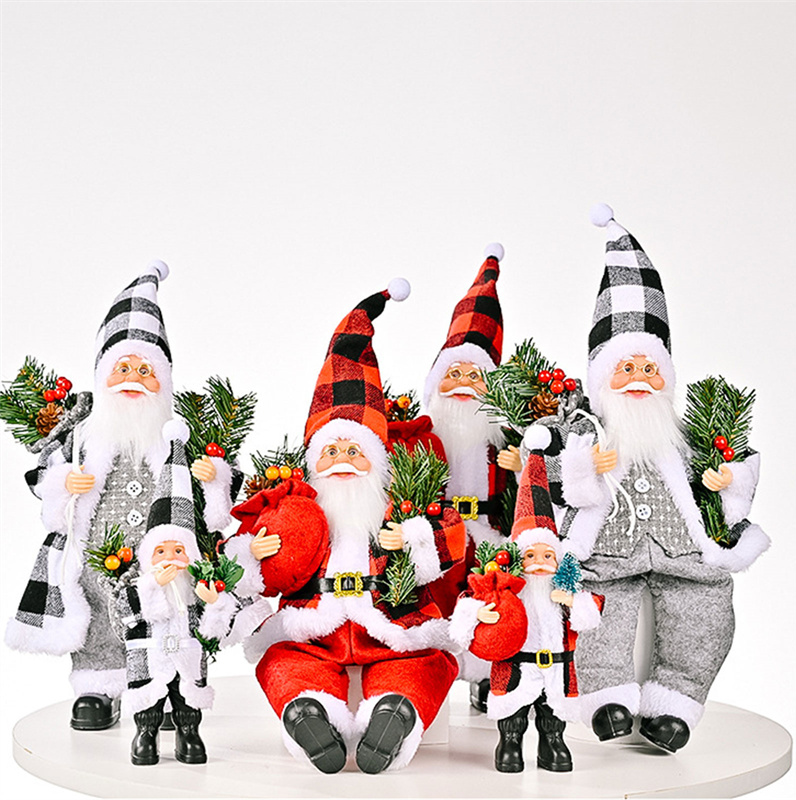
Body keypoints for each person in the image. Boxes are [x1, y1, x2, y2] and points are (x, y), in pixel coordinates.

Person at [224, 280, 466, 774]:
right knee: (282, 660)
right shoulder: (297, 504)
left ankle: (394, 713)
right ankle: (307, 712)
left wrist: (415, 536)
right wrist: (255, 551)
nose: (342, 460)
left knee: (425, 662)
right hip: (313, 624)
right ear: (312, 460)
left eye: (355, 450)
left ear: (377, 461)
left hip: (392, 623)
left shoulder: (399, 503)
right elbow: (246, 551)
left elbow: (452, 533)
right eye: (330, 451)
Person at [557, 205, 769, 752]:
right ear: (601, 378)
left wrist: (728, 478)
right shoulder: (584, 428)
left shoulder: (685, 433)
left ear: (666, 377)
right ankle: (606, 697)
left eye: (650, 369)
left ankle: (677, 700)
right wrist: (585, 466)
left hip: (683, 555)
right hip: (607, 557)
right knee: (597, 609)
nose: (640, 379)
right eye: (626, 369)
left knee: (706, 610)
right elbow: (552, 472)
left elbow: (736, 458)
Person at [5, 262, 235, 730]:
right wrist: (63, 483)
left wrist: (214, 478)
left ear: (164, 380)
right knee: (95, 618)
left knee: (166, 616)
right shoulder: (83, 436)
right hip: (95, 557)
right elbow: (44, 480)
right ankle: (98, 687)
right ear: (102, 373)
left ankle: (167, 688)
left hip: (162, 559)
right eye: (122, 368)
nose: (133, 378)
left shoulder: (175, 435)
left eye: (146, 370)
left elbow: (213, 512)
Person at [451, 431, 602, 773]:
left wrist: (573, 603)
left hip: (557, 667)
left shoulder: (564, 587)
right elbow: (466, 604)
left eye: (547, 555)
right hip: (515, 665)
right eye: (531, 555)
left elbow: (592, 612)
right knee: (513, 715)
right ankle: (510, 744)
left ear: (558, 557)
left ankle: (552, 746)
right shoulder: (506, 587)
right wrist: (479, 613)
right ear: (518, 557)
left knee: (552, 715)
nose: (539, 562)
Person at [422, 244, 520, 710]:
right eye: (453, 373)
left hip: (490, 535)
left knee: (492, 603)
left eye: (474, 376)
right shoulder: (424, 437)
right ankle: (433, 675)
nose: (462, 382)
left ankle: (488, 673)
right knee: (437, 602)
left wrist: (520, 467)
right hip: (441, 536)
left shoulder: (504, 439)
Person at [117, 419, 239, 765]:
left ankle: (189, 734)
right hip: (148, 656)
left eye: (178, 550)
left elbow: (214, 634)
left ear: (191, 556)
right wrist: (151, 586)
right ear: (147, 557)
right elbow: (124, 619)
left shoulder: (196, 588)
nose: (170, 557)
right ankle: (146, 735)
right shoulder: (137, 585)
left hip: (188, 656)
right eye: (161, 551)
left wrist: (215, 604)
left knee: (187, 701)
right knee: (149, 702)